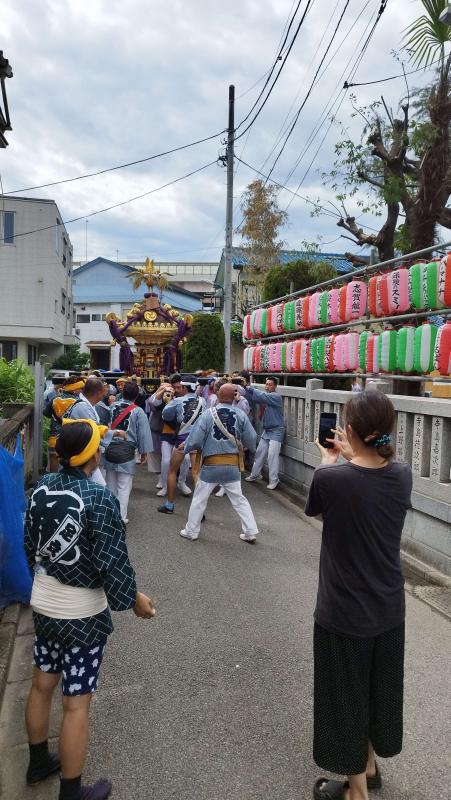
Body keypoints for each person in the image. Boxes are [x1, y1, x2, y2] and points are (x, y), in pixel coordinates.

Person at [24, 419, 155, 800]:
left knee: (41, 683)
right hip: (81, 614)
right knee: (76, 703)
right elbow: (113, 563)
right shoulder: (99, 499)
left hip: (44, 601)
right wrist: (134, 601)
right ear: (91, 455)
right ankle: (70, 792)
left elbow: (29, 544)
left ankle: (36, 762)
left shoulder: (40, 488)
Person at [305, 391, 412, 800]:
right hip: (388, 608)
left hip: (343, 612)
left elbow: (320, 508)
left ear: (348, 431)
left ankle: (357, 794)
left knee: (344, 701)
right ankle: (368, 767)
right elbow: (371, 476)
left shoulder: (331, 478)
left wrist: (330, 459)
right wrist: (354, 453)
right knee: (374, 691)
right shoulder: (401, 474)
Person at [179, 383, 259, 542]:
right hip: (232, 465)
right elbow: (252, 438)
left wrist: (186, 447)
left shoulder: (208, 414)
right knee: (239, 499)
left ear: (218, 395)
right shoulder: (240, 414)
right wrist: (249, 448)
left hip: (211, 465)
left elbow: (195, 438)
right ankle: (250, 532)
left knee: (200, 498)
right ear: (233, 397)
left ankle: (191, 531)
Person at [103, 381, 152, 524]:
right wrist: (144, 452)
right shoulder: (138, 411)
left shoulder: (111, 407)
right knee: (123, 487)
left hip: (110, 449)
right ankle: (121, 517)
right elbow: (143, 434)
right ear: (137, 395)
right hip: (126, 451)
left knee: (110, 484)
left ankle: (109, 515)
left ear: (122, 393)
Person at [157, 376, 205, 514]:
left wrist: (167, 402)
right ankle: (199, 510)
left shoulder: (177, 401)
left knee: (172, 471)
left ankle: (169, 505)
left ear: (184, 387)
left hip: (182, 440)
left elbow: (166, 416)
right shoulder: (203, 400)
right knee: (197, 474)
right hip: (197, 439)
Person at [65, 376, 109, 486]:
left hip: (84, 453)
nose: (105, 393)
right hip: (82, 455)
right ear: (99, 392)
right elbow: (95, 430)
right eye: (104, 390)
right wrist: (117, 433)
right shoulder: (82, 407)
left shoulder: (86, 405)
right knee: (98, 487)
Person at [243, 376, 285, 490]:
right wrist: (243, 388)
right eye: (266, 384)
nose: (267, 386)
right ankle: (254, 475)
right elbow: (255, 398)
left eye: (270, 384)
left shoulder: (276, 396)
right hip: (267, 430)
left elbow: (262, 396)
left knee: (272, 456)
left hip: (277, 430)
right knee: (260, 453)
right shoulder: (267, 397)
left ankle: (274, 480)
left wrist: (249, 387)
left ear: (275, 386)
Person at [43, 377, 86, 473]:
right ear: (75, 389)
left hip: (53, 439)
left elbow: (46, 413)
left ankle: (53, 486)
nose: (81, 391)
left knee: (53, 469)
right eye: (81, 388)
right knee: (68, 468)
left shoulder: (55, 398)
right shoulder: (79, 402)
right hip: (69, 440)